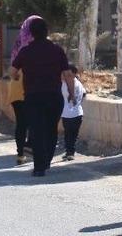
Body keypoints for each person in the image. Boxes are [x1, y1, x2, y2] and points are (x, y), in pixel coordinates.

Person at [11, 18, 74, 177]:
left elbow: (13, 71)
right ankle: (46, 161)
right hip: (54, 97)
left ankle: (39, 167)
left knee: (37, 130)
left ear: (31, 33)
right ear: (47, 32)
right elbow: (67, 74)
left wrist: (17, 77)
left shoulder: (25, 51)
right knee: (51, 129)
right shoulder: (57, 50)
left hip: (33, 98)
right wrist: (72, 94)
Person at [8, 15, 41, 165]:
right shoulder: (38, 44)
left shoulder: (18, 43)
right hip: (31, 85)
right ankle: (31, 146)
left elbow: (12, 67)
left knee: (21, 122)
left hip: (15, 85)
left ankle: (20, 154)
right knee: (35, 119)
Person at [61, 65, 86, 161]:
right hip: (75, 112)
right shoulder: (79, 83)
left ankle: (70, 152)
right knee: (71, 134)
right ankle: (69, 152)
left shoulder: (65, 84)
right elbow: (84, 94)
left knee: (70, 134)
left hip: (70, 113)